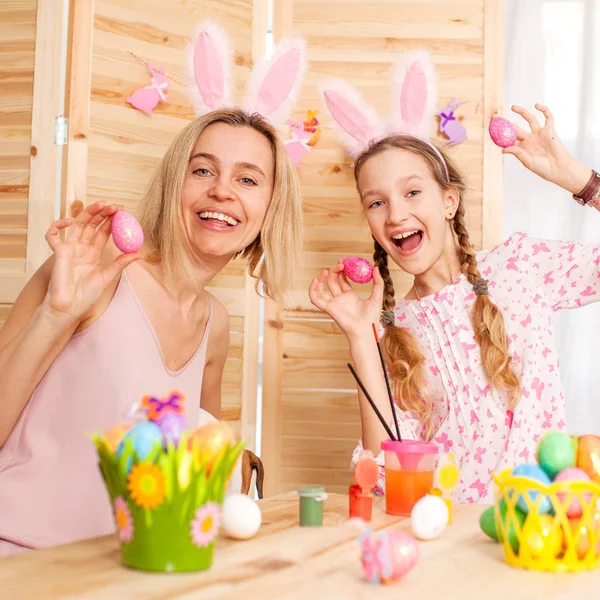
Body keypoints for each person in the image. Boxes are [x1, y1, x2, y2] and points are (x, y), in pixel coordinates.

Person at [0, 23, 306, 555]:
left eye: (248, 179)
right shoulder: (92, 272)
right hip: (19, 556)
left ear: (269, 210)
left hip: (129, 570)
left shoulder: (216, 326)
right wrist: (56, 313)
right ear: (174, 184)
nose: (221, 191)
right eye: (202, 169)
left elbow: (197, 462)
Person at [310, 51, 600, 503]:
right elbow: (384, 476)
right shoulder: (391, 328)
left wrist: (579, 180)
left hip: (539, 532)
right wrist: (361, 340)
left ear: (449, 201)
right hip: (447, 543)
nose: (396, 213)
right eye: (376, 202)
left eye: (411, 192)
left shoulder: (519, 267)